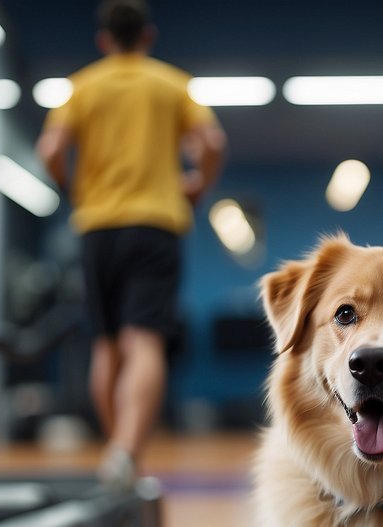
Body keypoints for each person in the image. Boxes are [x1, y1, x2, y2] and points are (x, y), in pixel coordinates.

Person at [36, 0, 226, 488]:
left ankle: (119, 453)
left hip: (97, 226)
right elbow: (212, 143)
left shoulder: (80, 87)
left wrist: (76, 188)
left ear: (103, 40)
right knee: (144, 342)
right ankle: (125, 452)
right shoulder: (172, 83)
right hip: (156, 224)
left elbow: (51, 150)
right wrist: (197, 186)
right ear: (148, 36)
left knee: (107, 345)